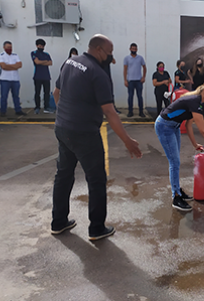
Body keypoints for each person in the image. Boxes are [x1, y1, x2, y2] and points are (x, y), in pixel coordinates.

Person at [51, 34, 143, 241]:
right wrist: (128, 141)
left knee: (63, 175)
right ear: (99, 50)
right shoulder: (98, 74)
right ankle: (97, 228)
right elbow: (110, 112)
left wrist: (65, 116)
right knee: (96, 180)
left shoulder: (69, 62)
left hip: (63, 129)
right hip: (85, 134)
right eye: (109, 53)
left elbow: (56, 93)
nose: (110, 58)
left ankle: (58, 222)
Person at [155, 79, 204, 212]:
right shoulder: (194, 101)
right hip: (164, 126)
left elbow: (188, 124)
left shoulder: (197, 102)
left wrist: (195, 144)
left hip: (174, 126)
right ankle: (176, 197)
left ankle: (178, 190)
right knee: (174, 162)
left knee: (176, 162)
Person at [0, 41, 25, 117]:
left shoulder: (15, 55)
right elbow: (3, 67)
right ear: (4, 48)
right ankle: (3, 112)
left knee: (16, 96)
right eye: (8, 47)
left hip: (15, 79)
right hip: (5, 79)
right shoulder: (1, 55)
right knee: (4, 96)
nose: (10, 49)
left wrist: (9, 66)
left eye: (11, 47)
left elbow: (19, 65)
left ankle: (18, 110)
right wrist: (14, 66)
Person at [123, 43, 147, 117]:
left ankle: (141, 112)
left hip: (138, 80)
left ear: (137, 49)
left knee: (140, 96)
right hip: (130, 80)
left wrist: (143, 77)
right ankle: (130, 111)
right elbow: (125, 69)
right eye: (132, 49)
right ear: (130, 49)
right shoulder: (126, 58)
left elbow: (144, 67)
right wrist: (125, 80)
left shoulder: (140, 58)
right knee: (130, 96)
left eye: (135, 49)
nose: (134, 50)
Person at [31, 39, 53, 114]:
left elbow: (50, 63)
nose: (41, 47)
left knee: (46, 92)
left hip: (46, 76)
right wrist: (45, 61)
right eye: (40, 45)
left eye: (42, 46)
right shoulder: (34, 53)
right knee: (37, 92)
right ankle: (37, 107)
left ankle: (46, 107)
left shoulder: (46, 54)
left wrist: (41, 62)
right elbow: (36, 62)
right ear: (37, 45)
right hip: (37, 76)